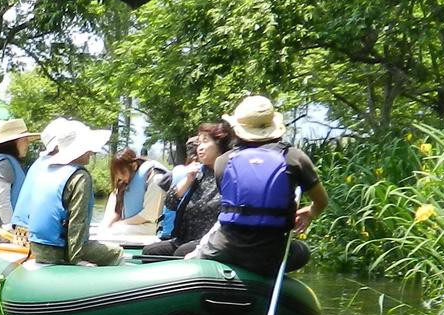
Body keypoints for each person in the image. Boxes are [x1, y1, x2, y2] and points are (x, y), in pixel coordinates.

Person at [189, 95, 327, 271]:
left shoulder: (223, 162)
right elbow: (322, 202)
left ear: (236, 129)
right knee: (302, 252)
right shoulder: (295, 157)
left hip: (226, 249)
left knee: (188, 254)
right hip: (269, 254)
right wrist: (310, 212)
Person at [18, 121, 122, 266]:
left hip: (37, 247)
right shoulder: (80, 177)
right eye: (88, 148)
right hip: (59, 251)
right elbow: (77, 222)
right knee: (117, 253)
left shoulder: (48, 169)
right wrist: (77, 260)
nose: (92, 152)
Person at [144, 123, 229, 258]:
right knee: (150, 252)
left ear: (220, 144)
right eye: (199, 143)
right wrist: (188, 179)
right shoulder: (198, 172)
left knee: (181, 252)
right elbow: (170, 203)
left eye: (205, 141)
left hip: (209, 241)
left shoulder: (227, 173)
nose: (199, 147)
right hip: (185, 238)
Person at [101, 148, 167, 231]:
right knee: (107, 229)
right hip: (133, 224)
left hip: (154, 225)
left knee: (115, 231)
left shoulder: (155, 177)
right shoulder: (123, 183)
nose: (120, 178)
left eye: (122, 172)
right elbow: (116, 212)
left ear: (134, 166)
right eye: (117, 175)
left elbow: (151, 215)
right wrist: (107, 226)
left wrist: (121, 224)